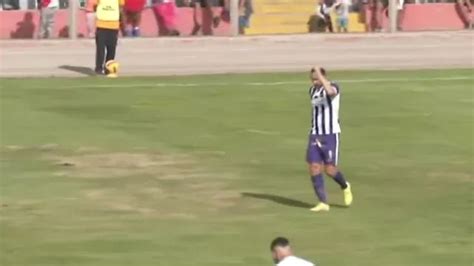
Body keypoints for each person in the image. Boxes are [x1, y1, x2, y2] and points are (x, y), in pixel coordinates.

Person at [306, 67, 353, 212]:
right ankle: (323, 202)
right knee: (314, 167)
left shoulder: (334, 87)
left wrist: (321, 76)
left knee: (330, 170)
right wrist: (318, 78)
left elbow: (330, 92)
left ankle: (345, 185)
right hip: (315, 134)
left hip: (330, 135)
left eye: (317, 78)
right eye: (313, 79)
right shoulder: (312, 91)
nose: (315, 81)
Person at [91, 0, 124, 76]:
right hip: (101, 24)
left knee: (111, 49)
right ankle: (99, 69)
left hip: (114, 24)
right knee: (100, 48)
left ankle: (108, 69)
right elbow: (94, 5)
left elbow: (121, 6)